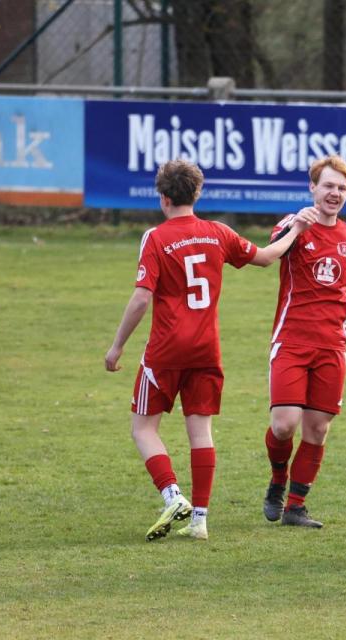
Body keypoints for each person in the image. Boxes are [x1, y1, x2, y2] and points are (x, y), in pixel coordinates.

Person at [105, 158, 309, 542]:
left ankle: (172, 496)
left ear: (163, 198)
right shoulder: (217, 232)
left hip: (166, 349)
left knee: (142, 428)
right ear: (197, 193)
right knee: (201, 432)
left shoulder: (156, 238)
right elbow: (267, 257)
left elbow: (141, 298)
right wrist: (296, 228)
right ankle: (199, 520)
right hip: (206, 349)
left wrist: (117, 347)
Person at [261, 155, 346, 528]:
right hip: (291, 341)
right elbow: (272, 252)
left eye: (342, 188)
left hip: (332, 345)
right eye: (328, 185)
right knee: (284, 425)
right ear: (312, 187)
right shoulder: (293, 223)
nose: (335, 193)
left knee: (317, 428)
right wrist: (298, 227)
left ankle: (296, 507)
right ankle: (278, 480)